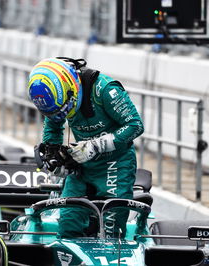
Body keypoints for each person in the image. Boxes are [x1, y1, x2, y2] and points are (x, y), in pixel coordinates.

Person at [28, 57, 144, 238]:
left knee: (112, 228)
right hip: (81, 164)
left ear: (71, 88)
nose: (61, 115)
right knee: (68, 223)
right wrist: (54, 157)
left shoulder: (105, 90)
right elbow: (53, 126)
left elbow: (135, 125)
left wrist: (97, 146)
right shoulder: (56, 98)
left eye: (64, 109)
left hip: (115, 164)